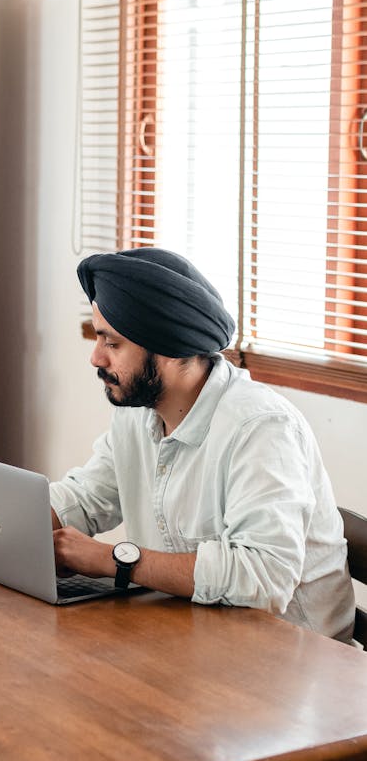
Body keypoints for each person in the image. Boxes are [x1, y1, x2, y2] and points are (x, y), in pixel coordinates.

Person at [50, 247, 355, 643]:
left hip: (292, 668)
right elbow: (83, 499)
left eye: (112, 343)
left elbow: (265, 576)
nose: (95, 358)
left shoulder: (261, 428)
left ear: (169, 348)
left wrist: (113, 560)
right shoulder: (138, 412)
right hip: (197, 639)